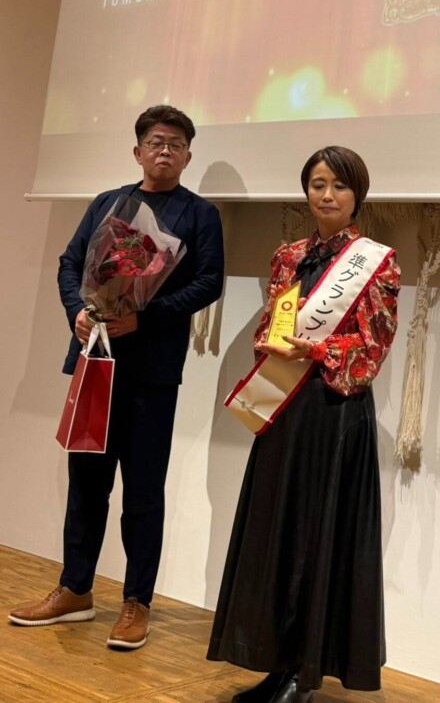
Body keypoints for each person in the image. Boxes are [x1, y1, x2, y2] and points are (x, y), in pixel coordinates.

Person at [9, 106, 224, 650]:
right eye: (155, 142)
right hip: (95, 364)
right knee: (86, 483)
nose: (165, 151)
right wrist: (78, 312)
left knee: (144, 491)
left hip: (152, 374)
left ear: (188, 156)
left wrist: (143, 317)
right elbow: (69, 263)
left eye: (176, 144)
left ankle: (137, 602)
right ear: (137, 151)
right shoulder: (107, 203)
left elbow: (209, 283)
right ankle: (75, 589)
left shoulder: (200, 214)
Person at [208, 146, 400, 703]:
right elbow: (273, 325)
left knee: (318, 536)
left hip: (334, 413)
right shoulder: (287, 256)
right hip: (284, 408)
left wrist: (316, 350)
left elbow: (373, 347)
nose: (327, 195)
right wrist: (271, 342)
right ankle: (275, 662)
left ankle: (304, 673)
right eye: (318, 184)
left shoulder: (378, 262)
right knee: (278, 532)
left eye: (339, 185)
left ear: (357, 195)